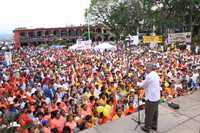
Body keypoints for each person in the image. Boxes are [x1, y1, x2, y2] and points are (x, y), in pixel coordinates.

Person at [137, 63, 162, 133]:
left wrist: (137, 83)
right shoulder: (155, 74)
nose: (145, 69)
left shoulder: (149, 76)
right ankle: (154, 126)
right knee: (155, 113)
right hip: (156, 97)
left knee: (148, 113)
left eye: (146, 68)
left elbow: (143, 85)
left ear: (149, 68)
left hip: (151, 98)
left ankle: (146, 127)